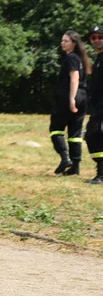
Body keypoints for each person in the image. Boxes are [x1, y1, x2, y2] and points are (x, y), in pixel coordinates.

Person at [49, 30, 90, 176]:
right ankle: (75, 166)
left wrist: (71, 99)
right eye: (62, 40)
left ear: (74, 43)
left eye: (66, 41)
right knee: (75, 132)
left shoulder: (71, 58)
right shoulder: (81, 59)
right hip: (83, 96)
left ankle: (65, 158)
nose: (62, 43)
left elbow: (74, 78)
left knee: (56, 129)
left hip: (69, 95)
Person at [84, 25, 103, 184]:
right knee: (93, 136)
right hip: (97, 106)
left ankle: (101, 174)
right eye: (94, 37)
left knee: (94, 135)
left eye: (100, 37)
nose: (97, 40)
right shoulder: (99, 58)